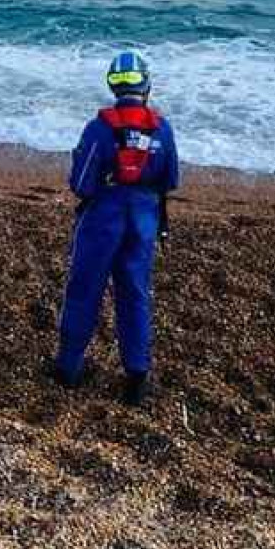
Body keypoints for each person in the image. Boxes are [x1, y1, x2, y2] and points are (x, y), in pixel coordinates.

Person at [54, 50, 179, 406]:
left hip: (102, 217)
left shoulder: (99, 128)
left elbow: (81, 182)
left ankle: (68, 368)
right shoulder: (162, 128)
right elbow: (170, 178)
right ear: (146, 85)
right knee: (135, 293)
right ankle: (137, 377)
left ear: (113, 84)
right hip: (143, 218)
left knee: (84, 289)